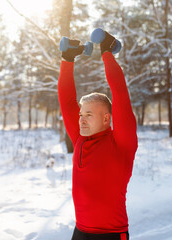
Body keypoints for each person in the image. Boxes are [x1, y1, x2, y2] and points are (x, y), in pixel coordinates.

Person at [58, 31, 138, 240]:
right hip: (80, 232)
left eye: (89, 114)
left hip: (111, 235)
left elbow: (120, 93)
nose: (81, 119)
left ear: (106, 118)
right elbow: (66, 101)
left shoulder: (121, 143)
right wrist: (67, 60)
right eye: (81, 114)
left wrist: (107, 53)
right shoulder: (80, 138)